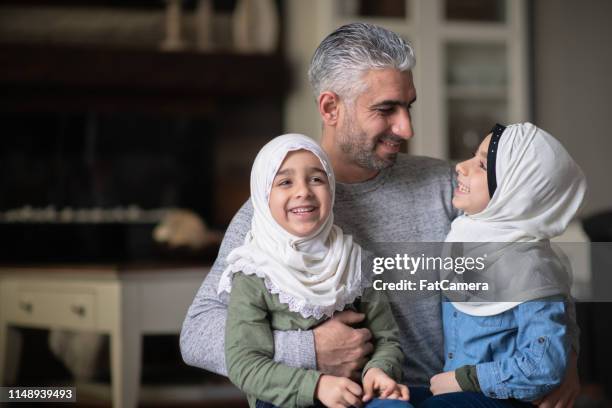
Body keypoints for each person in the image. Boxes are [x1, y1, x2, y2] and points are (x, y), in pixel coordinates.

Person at [180, 23, 581, 407]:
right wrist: (309, 350)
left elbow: (536, 262)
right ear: (330, 107)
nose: (405, 127)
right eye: (386, 109)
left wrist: (568, 358)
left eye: (408, 107)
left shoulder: (446, 186)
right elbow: (196, 334)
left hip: (448, 394)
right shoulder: (274, 211)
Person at [221, 133, 410, 408]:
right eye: (285, 182)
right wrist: (317, 386)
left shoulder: (355, 261)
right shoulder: (253, 272)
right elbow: (245, 365)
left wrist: (379, 370)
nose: (303, 192)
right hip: (284, 400)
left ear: (331, 189)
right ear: (263, 196)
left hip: (357, 396)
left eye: (316, 179)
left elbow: (386, 339)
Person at [426, 123, 587, 407]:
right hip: (451, 391)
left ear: (517, 190)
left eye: (482, 165)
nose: (461, 167)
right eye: (472, 156)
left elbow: (543, 367)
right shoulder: (466, 235)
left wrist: (465, 379)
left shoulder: (531, 267)